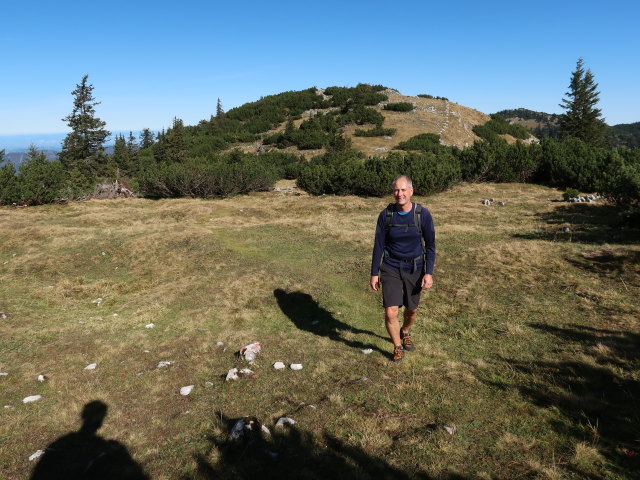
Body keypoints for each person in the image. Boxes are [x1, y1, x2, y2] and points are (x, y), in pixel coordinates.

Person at [370, 175, 435, 362]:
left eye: (404, 190)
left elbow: (430, 246)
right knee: (391, 311)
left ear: (411, 192)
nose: (400, 194)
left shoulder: (422, 214)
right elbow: (378, 246)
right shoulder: (386, 215)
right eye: (397, 190)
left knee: (412, 310)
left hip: (415, 267)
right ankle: (397, 346)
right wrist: (374, 273)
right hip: (390, 267)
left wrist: (428, 273)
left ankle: (405, 330)